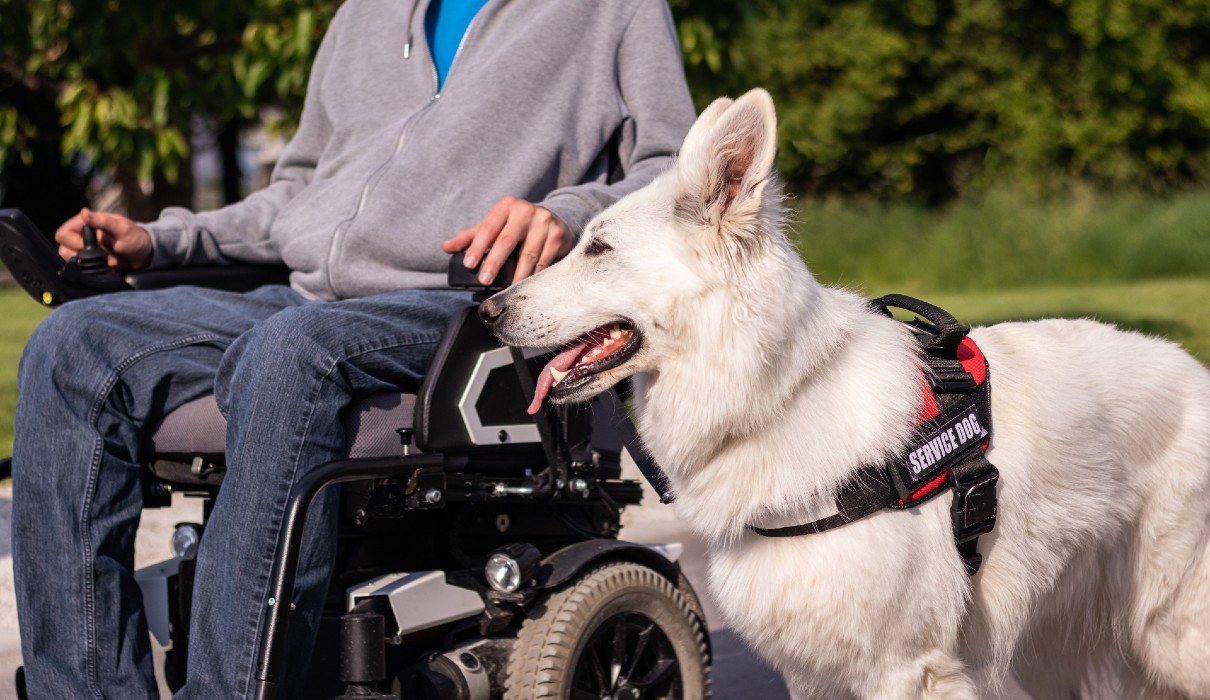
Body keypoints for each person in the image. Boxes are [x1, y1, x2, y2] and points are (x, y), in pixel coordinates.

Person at [10, 0, 696, 697]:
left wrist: (566, 214)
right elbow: (296, 196)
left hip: (468, 300)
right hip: (307, 300)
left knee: (291, 352)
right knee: (72, 345)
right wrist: (163, 240)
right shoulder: (362, 16)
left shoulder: (611, 10)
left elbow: (674, 167)